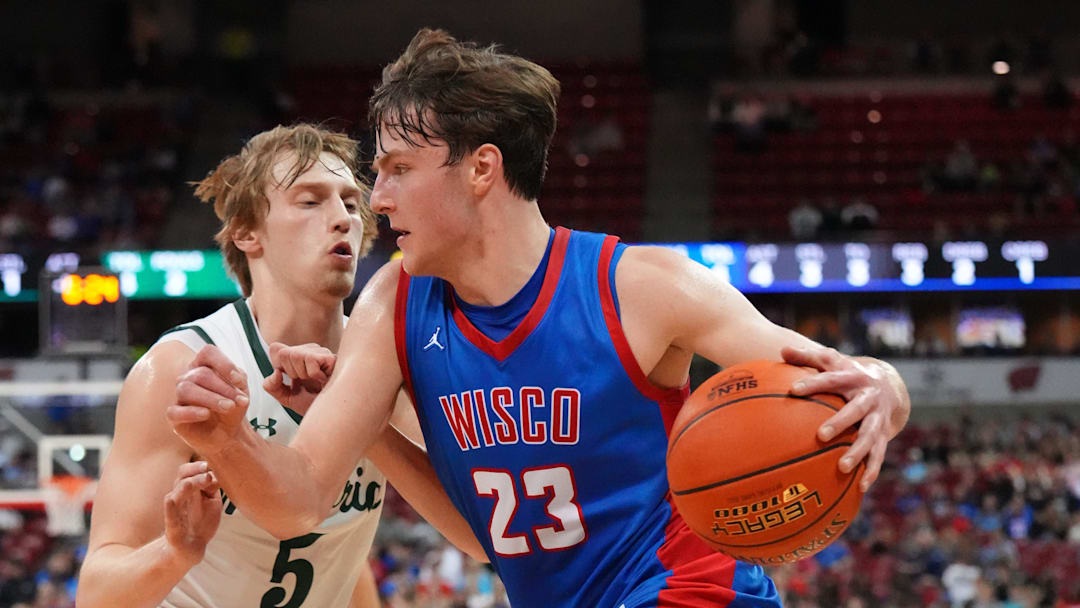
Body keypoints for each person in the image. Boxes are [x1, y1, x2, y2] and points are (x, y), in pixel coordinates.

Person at [168, 30, 911, 607]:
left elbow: (846, 382)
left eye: (397, 168)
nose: (376, 197)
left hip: (694, 590)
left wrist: (882, 383)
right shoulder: (393, 304)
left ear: (481, 169)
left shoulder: (644, 287)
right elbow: (298, 504)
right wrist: (227, 436)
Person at [77, 123, 483, 608]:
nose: (341, 218)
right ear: (247, 233)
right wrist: (175, 552)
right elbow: (98, 593)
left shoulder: (384, 363)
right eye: (311, 201)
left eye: (351, 204)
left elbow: (338, 553)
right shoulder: (180, 369)